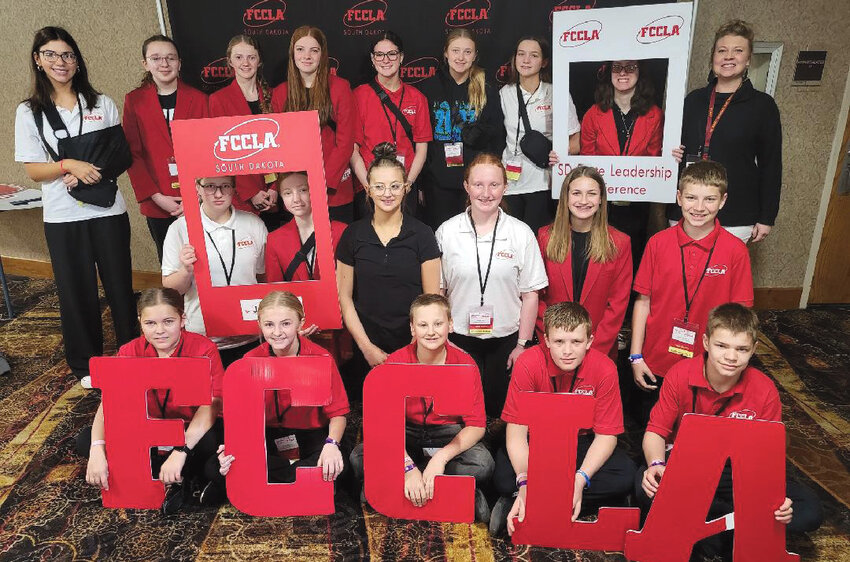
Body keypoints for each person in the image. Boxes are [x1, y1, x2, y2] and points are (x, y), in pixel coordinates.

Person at [636, 303, 822, 558]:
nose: (731, 357)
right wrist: (655, 463)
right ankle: (730, 525)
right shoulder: (680, 374)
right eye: (722, 346)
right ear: (705, 342)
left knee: (808, 511)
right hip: (687, 466)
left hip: (736, 474)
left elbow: (767, 456)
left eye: (742, 349)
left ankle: (705, 526)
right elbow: (655, 431)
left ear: (754, 350)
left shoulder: (764, 389)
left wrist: (776, 498)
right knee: (643, 487)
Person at [15, 26, 137, 379]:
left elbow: (119, 156)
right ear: (38, 61)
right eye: (51, 55)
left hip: (108, 210)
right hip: (62, 216)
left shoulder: (101, 103)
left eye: (67, 55)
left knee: (120, 286)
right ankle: (87, 364)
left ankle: (133, 353)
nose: (60, 62)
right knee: (76, 291)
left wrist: (90, 172)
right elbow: (35, 170)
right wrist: (69, 165)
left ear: (78, 61)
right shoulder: (30, 112)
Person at [490, 302, 636, 536]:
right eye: (559, 342)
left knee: (625, 474)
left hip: (581, 441)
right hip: (537, 440)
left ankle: (532, 500)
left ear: (589, 341)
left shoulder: (605, 368)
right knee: (505, 477)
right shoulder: (528, 363)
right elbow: (516, 434)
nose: (567, 351)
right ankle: (529, 495)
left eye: (576, 342)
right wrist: (526, 482)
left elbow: (607, 436)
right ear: (546, 340)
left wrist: (580, 479)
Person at [76, 288, 223, 515]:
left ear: (183, 319)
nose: (160, 331)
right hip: (147, 431)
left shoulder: (204, 349)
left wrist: (181, 450)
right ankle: (178, 476)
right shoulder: (129, 351)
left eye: (168, 321)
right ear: (140, 322)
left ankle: (167, 470)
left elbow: (211, 406)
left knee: (213, 441)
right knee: (86, 440)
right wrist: (97, 449)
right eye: (151, 323)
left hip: (188, 431)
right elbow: (109, 404)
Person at [349, 294, 494, 521]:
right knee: (359, 457)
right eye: (423, 325)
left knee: (483, 464)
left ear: (450, 324)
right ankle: (450, 487)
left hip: (447, 434)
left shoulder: (465, 364)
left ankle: (410, 482)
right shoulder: (396, 362)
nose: (431, 332)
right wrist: (407, 466)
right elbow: (382, 426)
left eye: (438, 324)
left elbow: (476, 425)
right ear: (412, 329)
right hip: (405, 432)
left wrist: (440, 459)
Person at [630, 161, 753, 420]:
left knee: (697, 436)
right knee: (654, 428)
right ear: (678, 198)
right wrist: (636, 356)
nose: (699, 208)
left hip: (709, 365)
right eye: (691, 198)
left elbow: (740, 316)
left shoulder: (735, 251)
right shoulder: (657, 243)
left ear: (722, 201)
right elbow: (643, 302)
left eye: (709, 199)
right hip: (656, 360)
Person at [208, 291, 349, 502]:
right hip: (269, 436)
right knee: (213, 467)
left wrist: (331, 445)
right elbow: (240, 417)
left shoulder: (321, 357)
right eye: (269, 325)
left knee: (337, 464)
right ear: (260, 324)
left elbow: (338, 414)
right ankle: (300, 482)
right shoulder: (250, 359)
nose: (277, 333)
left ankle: (264, 483)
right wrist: (232, 446)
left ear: (300, 323)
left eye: (285, 324)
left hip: (312, 435)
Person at [436, 153, 547, 417]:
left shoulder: (521, 233)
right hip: (458, 341)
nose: (486, 193)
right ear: (466, 186)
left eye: (494, 185)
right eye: (478, 185)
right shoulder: (447, 232)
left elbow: (531, 294)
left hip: (506, 341)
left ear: (505, 187)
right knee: (461, 411)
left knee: (499, 413)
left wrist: (522, 345)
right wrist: (442, 341)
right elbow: (437, 293)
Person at [336, 143, 441, 398]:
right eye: (379, 187)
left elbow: (431, 301)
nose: (387, 193)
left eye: (395, 186)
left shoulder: (422, 234)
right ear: (368, 190)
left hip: (414, 346)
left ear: (406, 189)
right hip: (366, 346)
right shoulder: (352, 235)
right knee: (375, 416)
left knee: (414, 414)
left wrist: (416, 349)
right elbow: (344, 298)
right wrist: (366, 347)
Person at [671, 20, 782, 244]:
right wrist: (673, 153)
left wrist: (766, 217)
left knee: (721, 277)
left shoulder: (762, 106)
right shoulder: (693, 100)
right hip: (687, 209)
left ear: (748, 59)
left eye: (738, 51)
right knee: (683, 276)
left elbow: (772, 165)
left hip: (736, 215)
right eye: (722, 50)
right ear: (713, 57)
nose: (729, 56)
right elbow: (675, 145)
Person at [161, 176, 267, 364]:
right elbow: (171, 290)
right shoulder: (180, 228)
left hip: (250, 333)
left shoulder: (253, 223)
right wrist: (186, 270)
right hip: (203, 335)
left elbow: (263, 278)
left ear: (234, 189)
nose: (218, 194)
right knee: (209, 393)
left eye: (225, 186)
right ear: (198, 188)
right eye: (210, 186)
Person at [123, 34, 208, 262]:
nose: (164, 64)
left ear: (179, 63)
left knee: (203, 259)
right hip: (157, 201)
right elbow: (133, 153)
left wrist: (196, 195)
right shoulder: (134, 101)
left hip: (199, 197)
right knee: (169, 261)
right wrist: (156, 196)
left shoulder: (199, 99)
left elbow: (207, 150)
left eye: (170, 58)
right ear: (145, 63)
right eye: (156, 58)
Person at [536, 166, 632, 358]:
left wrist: (593, 350)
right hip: (553, 349)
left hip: (598, 350)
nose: (583, 201)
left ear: (601, 199)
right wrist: (553, 343)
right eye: (577, 193)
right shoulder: (545, 237)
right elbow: (537, 298)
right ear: (566, 197)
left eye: (592, 194)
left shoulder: (620, 243)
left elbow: (617, 305)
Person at [579, 59, 664, 269]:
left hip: (638, 202)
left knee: (633, 257)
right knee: (599, 259)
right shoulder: (593, 114)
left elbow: (654, 158)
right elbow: (586, 159)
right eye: (617, 68)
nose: (623, 73)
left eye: (630, 67)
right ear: (609, 73)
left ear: (640, 73)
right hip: (602, 203)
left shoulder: (654, 115)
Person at [418, 29, 505, 230]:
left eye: (467, 52)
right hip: (438, 183)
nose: (461, 57)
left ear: (475, 55)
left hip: (476, 183)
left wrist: (489, 177)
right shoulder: (428, 88)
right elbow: (421, 138)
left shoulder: (486, 90)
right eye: (455, 51)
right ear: (446, 53)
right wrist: (421, 182)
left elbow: (497, 137)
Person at [272, 26, 357, 224]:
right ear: (293, 53)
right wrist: (299, 185)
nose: (307, 56)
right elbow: (279, 145)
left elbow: (345, 143)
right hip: (296, 193)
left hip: (333, 190)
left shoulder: (340, 87)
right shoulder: (280, 93)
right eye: (300, 49)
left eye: (314, 50)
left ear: (322, 54)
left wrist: (320, 181)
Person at [500, 35, 579, 234]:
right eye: (521, 54)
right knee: (511, 243)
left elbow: (575, 142)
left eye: (533, 55)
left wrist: (559, 154)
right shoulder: (504, 93)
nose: (526, 60)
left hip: (543, 183)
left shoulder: (556, 93)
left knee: (538, 242)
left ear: (544, 62)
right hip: (509, 184)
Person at [351, 31, 432, 218]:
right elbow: (353, 149)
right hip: (371, 188)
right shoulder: (359, 96)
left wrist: (408, 184)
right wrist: (368, 186)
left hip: (404, 188)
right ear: (372, 59)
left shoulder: (417, 98)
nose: (385, 60)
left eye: (392, 54)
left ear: (401, 57)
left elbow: (421, 148)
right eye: (379, 54)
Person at [209, 35, 278, 221]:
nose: (245, 63)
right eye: (239, 57)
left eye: (251, 57)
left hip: (276, 193)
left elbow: (283, 146)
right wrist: (251, 192)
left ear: (259, 61)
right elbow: (223, 153)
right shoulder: (218, 101)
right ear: (229, 61)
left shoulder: (274, 96)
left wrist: (276, 187)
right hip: (242, 196)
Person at [265, 171, 347, 283]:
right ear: (281, 197)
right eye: (288, 193)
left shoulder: (342, 231)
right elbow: (275, 288)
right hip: (294, 300)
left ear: (314, 190)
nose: (296, 199)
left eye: (303, 190)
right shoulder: (274, 239)